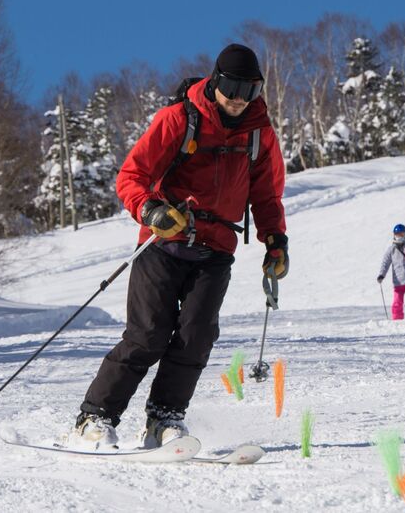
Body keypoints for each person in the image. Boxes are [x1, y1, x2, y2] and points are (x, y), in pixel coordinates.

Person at [69, 44, 288, 449]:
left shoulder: (259, 134)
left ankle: (164, 419)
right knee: (147, 336)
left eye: (251, 90)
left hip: (216, 251)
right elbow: (131, 176)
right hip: (163, 245)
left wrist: (275, 242)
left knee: (197, 336)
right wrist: (151, 210)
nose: (240, 99)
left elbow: (267, 197)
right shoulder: (179, 119)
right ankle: (94, 418)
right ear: (217, 82)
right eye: (233, 87)